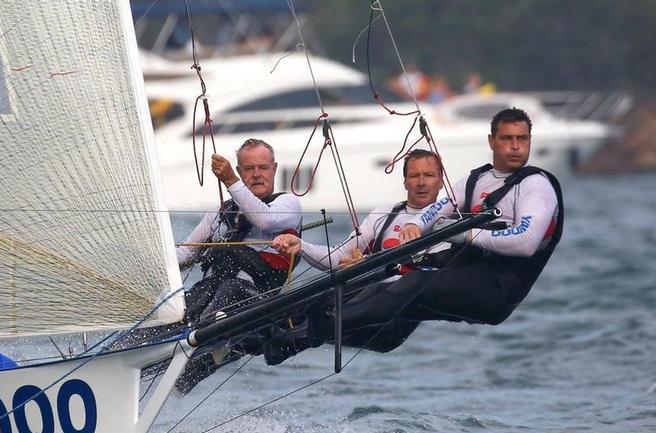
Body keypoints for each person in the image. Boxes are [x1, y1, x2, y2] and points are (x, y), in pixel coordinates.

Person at [266, 107, 563, 362]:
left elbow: (525, 243)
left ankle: (307, 333)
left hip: (498, 290)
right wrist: (417, 226)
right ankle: (268, 335)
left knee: (413, 282)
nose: (514, 146)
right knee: (368, 289)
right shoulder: (474, 179)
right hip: (466, 274)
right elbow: (439, 209)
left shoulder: (536, 186)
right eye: (507, 138)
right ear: (491, 141)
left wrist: (465, 235)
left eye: (521, 139)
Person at [263, 149, 446, 364]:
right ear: (405, 182)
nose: (422, 182)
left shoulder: (450, 222)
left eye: (429, 175)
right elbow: (338, 258)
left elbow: (434, 271)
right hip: (358, 303)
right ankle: (248, 340)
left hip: (393, 320)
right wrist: (300, 245)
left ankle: (290, 340)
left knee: (352, 293)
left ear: (441, 181)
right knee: (297, 305)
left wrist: (368, 263)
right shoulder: (385, 215)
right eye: (414, 176)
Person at [175, 138, 302, 391]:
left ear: (274, 169)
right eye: (248, 169)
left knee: (230, 290)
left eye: (263, 168)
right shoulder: (220, 212)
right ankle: (120, 357)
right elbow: (186, 254)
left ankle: (206, 351)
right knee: (180, 307)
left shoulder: (287, 204)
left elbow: (263, 221)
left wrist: (230, 180)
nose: (257, 175)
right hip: (211, 296)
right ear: (241, 170)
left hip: (252, 300)